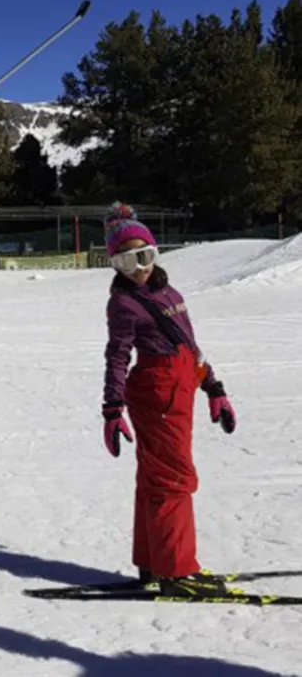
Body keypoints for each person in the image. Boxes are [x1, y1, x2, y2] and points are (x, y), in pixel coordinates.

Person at [101, 203, 238, 597]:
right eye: (126, 262)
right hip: (157, 393)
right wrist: (112, 409)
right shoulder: (124, 303)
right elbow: (117, 356)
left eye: (143, 256)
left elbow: (189, 346)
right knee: (173, 479)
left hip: (179, 384)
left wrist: (213, 387)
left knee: (154, 478)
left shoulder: (168, 291)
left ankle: (153, 562)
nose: (138, 268)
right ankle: (175, 570)